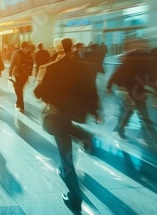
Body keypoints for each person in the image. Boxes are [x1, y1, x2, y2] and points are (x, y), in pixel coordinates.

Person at [34, 38, 101, 213]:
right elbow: (91, 90)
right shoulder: (83, 67)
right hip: (75, 113)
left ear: (58, 49)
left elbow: (38, 92)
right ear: (72, 48)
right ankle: (82, 135)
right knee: (66, 148)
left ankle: (75, 196)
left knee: (66, 156)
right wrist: (95, 111)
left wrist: (47, 96)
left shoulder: (50, 67)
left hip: (58, 116)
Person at [106, 39, 157, 146]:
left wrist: (109, 86)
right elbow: (120, 72)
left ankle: (120, 129)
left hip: (136, 91)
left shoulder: (142, 59)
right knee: (141, 115)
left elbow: (152, 79)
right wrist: (109, 86)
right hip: (132, 91)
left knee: (131, 112)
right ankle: (151, 139)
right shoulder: (138, 58)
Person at [9, 41, 33, 113]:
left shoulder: (16, 53)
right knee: (20, 89)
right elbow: (32, 63)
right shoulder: (30, 53)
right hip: (25, 74)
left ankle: (21, 106)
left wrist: (10, 73)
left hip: (17, 74)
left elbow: (12, 63)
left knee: (18, 90)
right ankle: (18, 103)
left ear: (21, 46)